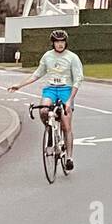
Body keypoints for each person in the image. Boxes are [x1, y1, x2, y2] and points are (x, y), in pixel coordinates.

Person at [7, 30, 83, 171]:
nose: (60, 45)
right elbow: (37, 74)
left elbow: (78, 79)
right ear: (53, 43)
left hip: (66, 89)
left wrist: (69, 100)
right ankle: (49, 130)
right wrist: (19, 85)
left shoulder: (72, 58)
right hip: (50, 89)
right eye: (57, 42)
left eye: (62, 42)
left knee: (66, 125)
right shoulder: (47, 56)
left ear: (66, 43)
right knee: (43, 110)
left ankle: (69, 158)